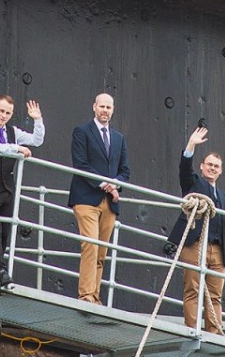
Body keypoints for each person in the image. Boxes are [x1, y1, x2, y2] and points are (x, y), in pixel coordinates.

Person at [165, 126, 225, 334]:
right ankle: (191, 328)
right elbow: (184, 169)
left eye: (216, 166)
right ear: (201, 167)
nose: (212, 168)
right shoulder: (194, 184)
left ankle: (214, 332)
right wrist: (191, 144)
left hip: (218, 250)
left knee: (215, 295)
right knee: (192, 290)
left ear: (221, 170)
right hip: (195, 244)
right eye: (209, 164)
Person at [0, 95, 45, 285]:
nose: (4, 116)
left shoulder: (12, 131)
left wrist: (37, 119)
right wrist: (16, 148)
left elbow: (36, 140)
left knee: (5, 231)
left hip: (8, 189)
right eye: (1, 111)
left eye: (8, 113)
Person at [68, 93, 130, 304]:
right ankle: (85, 295)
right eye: (102, 106)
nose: (105, 110)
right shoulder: (82, 132)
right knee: (90, 246)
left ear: (113, 110)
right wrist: (105, 184)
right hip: (87, 198)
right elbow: (81, 164)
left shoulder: (119, 138)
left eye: (109, 107)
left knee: (101, 252)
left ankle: (95, 296)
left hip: (109, 203)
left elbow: (125, 171)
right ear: (94, 107)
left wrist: (115, 183)